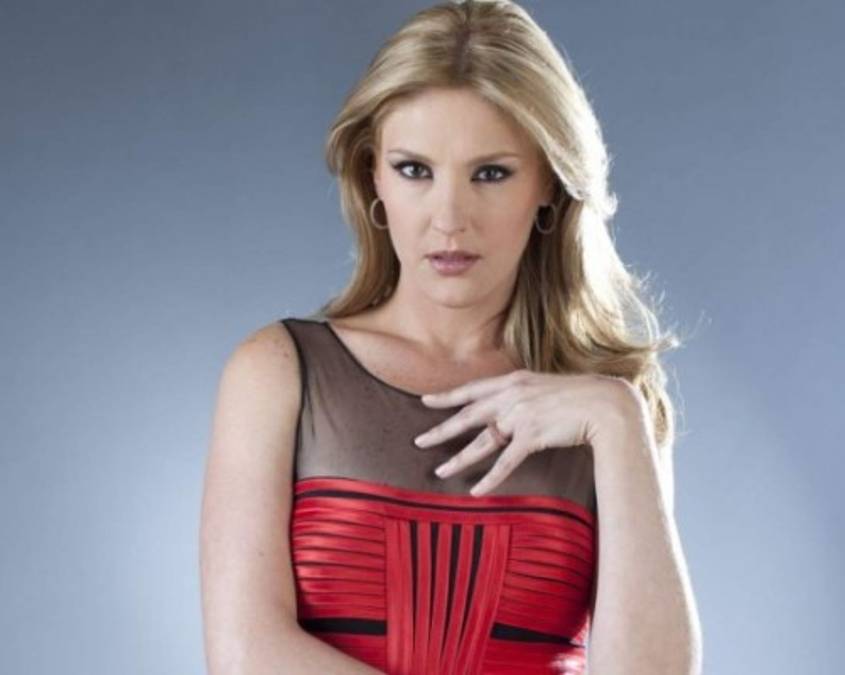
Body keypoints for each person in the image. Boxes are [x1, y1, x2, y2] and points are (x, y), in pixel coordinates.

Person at [199, 1, 703, 673]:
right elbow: (244, 657)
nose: (449, 218)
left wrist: (618, 419)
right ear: (372, 175)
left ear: (549, 185)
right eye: (415, 169)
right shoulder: (279, 372)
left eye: (490, 173)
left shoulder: (605, 407)